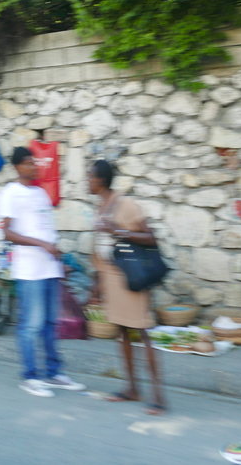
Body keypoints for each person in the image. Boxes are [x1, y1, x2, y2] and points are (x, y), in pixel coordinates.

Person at [0, 147, 85, 397]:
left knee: (50, 323)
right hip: (29, 270)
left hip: (49, 268)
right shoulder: (10, 193)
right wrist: (41, 245)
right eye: (28, 163)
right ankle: (30, 376)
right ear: (17, 167)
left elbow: (47, 229)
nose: (34, 166)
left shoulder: (41, 194)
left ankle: (54, 372)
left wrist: (58, 259)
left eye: (34, 162)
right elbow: (7, 233)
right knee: (31, 324)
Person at [88, 159, 166, 415]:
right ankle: (132, 388)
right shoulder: (101, 207)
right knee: (122, 334)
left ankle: (158, 398)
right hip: (111, 279)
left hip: (129, 278)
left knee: (142, 334)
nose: (87, 181)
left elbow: (150, 237)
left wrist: (119, 231)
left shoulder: (126, 205)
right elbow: (101, 247)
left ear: (101, 180)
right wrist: (97, 285)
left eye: (90, 177)